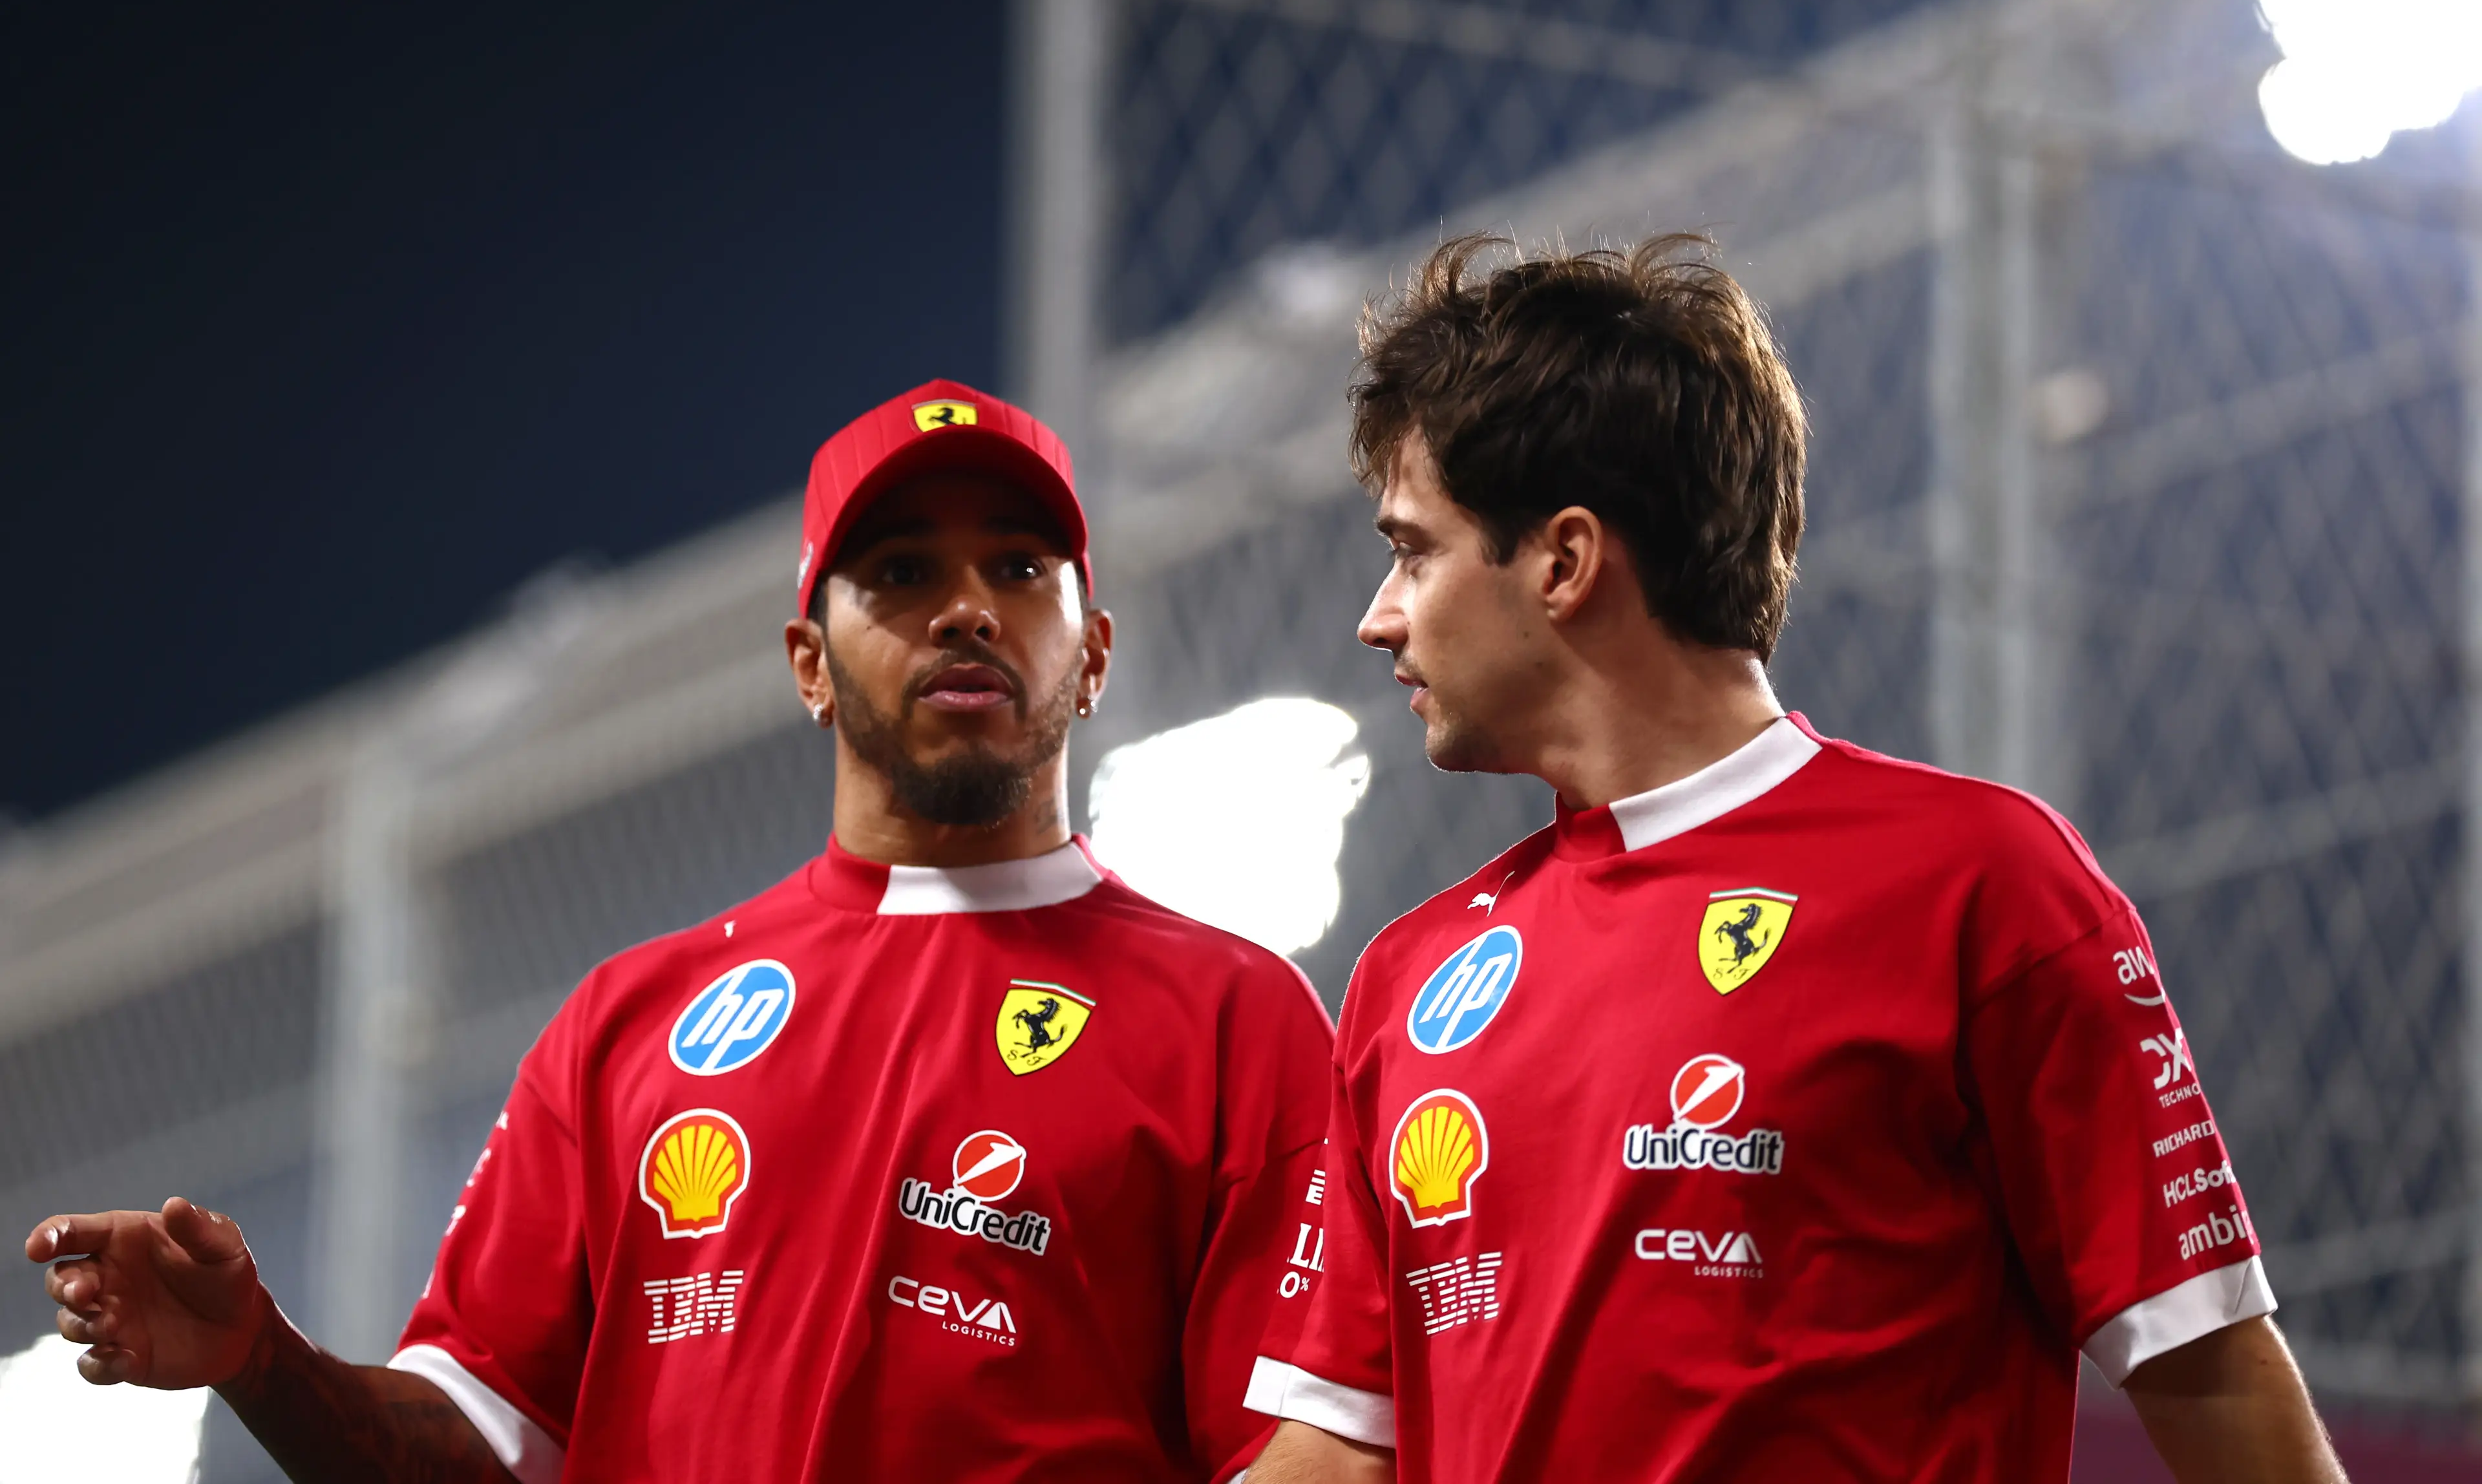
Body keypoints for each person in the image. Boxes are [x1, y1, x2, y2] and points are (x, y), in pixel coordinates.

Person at [29, 380, 1334, 1483]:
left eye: (1020, 567)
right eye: (900, 571)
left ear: (1092, 653)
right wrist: (261, 1355)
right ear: (809, 663)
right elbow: (479, 1437)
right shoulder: (626, 1023)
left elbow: (1298, 1451)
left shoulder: (1233, 1014)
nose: (967, 608)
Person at [1242, 238, 2347, 1483]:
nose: (1379, 615)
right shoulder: (1408, 978)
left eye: (1414, 552)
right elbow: (1337, 1448)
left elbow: (2216, 1378)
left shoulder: (1982, 884)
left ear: (1564, 561)